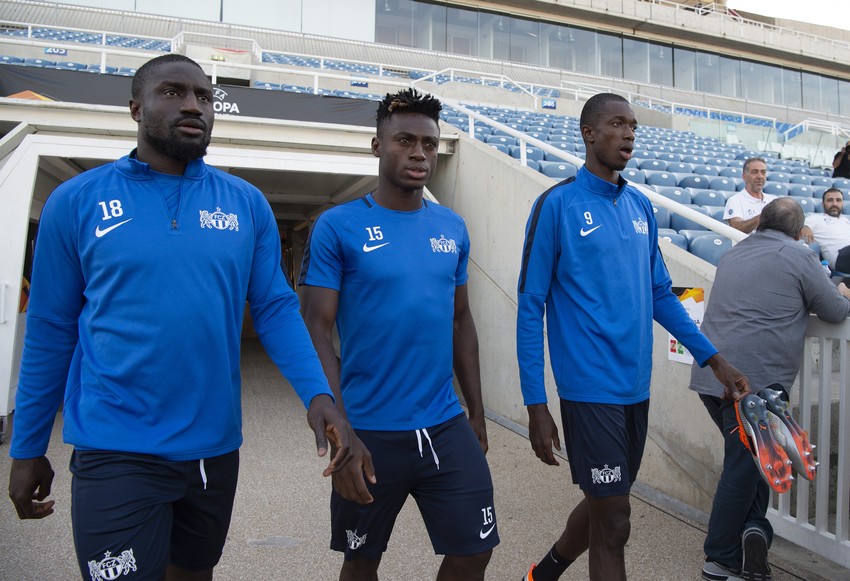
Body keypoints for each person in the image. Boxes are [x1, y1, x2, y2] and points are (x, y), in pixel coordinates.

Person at [7, 54, 368, 581]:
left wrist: (319, 397)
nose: (194, 105)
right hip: (115, 450)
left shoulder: (246, 204)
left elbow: (273, 309)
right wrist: (28, 446)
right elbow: (50, 330)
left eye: (203, 95)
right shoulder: (76, 202)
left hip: (213, 451)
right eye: (173, 93)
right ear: (136, 108)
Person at [516, 92, 749, 581]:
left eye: (634, 126)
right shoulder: (556, 205)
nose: (629, 134)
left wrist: (714, 359)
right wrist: (536, 404)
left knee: (607, 502)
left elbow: (661, 295)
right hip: (587, 390)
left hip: (634, 389)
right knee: (617, 521)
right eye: (617, 124)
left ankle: (546, 572)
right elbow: (530, 305)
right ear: (589, 132)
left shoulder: (641, 206)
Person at [298, 88, 497, 581]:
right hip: (368, 430)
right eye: (405, 140)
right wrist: (338, 424)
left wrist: (476, 410)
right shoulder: (338, 226)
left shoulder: (451, 227)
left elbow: (460, 320)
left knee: (475, 551)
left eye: (429, 144)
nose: (419, 153)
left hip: (445, 423)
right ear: (377, 145)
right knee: (362, 560)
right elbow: (317, 329)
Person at [690, 197, 850, 581]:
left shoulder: (733, 254)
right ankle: (719, 559)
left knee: (755, 460)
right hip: (753, 385)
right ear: (800, 233)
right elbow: (832, 309)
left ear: (761, 221)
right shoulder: (799, 255)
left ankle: (754, 534)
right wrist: (847, 301)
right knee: (742, 466)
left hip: (712, 376)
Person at [802, 187, 850, 275]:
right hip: (841, 259)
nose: (835, 203)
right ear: (823, 203)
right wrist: (804, 226)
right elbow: (797, 226)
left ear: (842, 203)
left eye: (838, 200)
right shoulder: (815, 218)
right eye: (830, 200)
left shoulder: (846, 221)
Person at [723, 157, 776, 234]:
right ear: (745, 177)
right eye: (754, 172)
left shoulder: (773, 201)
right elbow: (736, 229)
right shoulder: (735, 201)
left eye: (763, 172)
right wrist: (764, 216)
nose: (760, 176)